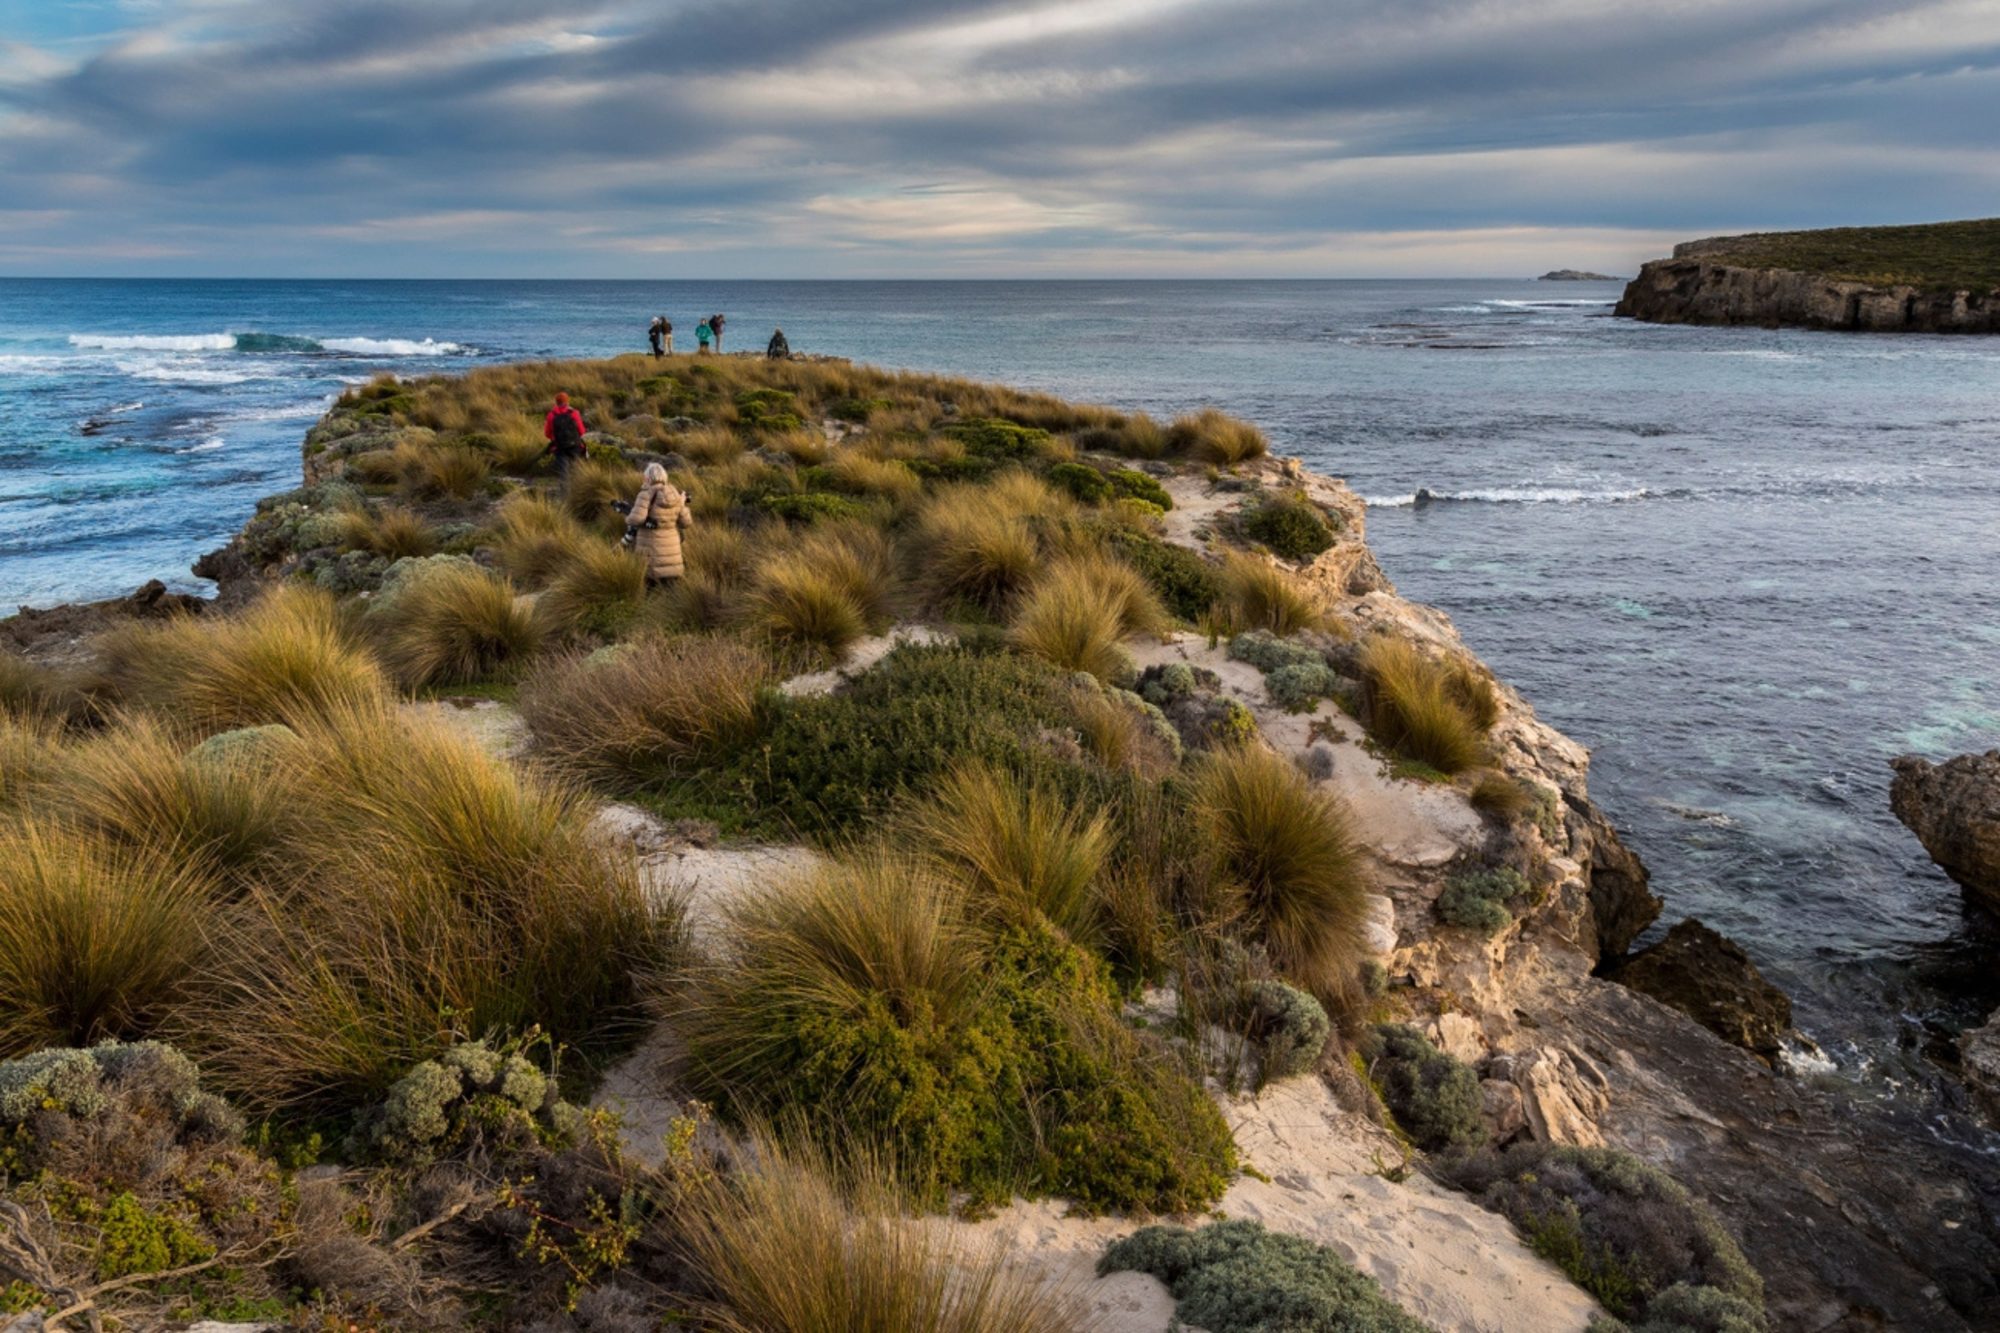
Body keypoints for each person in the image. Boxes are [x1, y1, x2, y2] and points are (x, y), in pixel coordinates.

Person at [623, 462, 692, 587]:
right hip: (673, 556)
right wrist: (682, 505)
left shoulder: (646, 494)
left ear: (648, 478)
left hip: (651, 554)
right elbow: (686, 523)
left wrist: (628, 518)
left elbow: (637, 519)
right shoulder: (675, 495)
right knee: (670, 593)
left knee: (650, 591)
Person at [542, 392, 587, 484]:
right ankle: (578, 491)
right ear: (567, 401)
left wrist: (555, 438)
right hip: (575, 446)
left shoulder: (551, 415)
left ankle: (564, 495)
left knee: (563, 474)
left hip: (559, 448)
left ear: (556, 402)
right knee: (576, 470)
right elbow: (582, 431)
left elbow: (547, 433)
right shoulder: (574, 413)